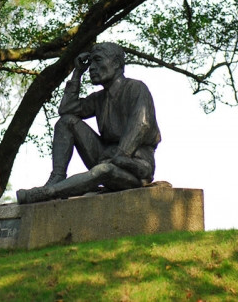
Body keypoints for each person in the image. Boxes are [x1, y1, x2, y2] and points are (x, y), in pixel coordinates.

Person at [16, 42, 161, 204]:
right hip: (106, 157)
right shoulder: (99, 98)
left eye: (97, 60)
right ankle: (57, 177)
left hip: (134, 164)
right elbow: (66, 109)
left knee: (104, 170)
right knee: (66, 122)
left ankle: (48, 193)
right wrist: (77, 73)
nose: (92, 67)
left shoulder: (136, 88)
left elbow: (141, 124)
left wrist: (121, 155)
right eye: (90, 62)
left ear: (115, 64)